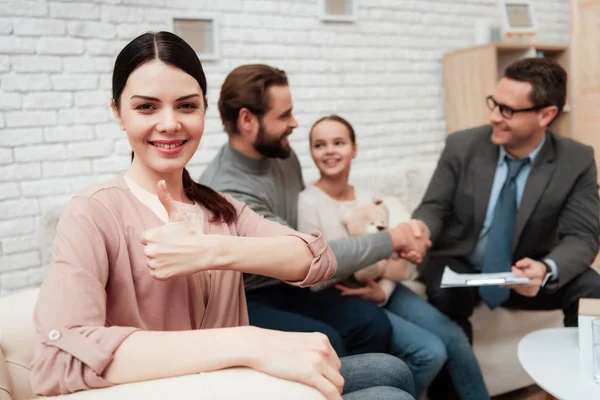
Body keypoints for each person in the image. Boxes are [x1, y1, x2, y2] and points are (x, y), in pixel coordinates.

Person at [29, 31, 416, 400]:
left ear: (203, 110)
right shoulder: (92, 213)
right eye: (146, 106)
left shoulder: (220, 207)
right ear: (118, 113)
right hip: (173, 390)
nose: (169, 123)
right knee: (387, 393)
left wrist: (212, 251)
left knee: (392, 370)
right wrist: (247, 342)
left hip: (233, 384)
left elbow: (317, 258)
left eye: (186, 105)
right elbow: (60, 359)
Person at [199, 64, 430, 359]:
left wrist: (383, 245)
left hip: (290, 284)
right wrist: (392, 240)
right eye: (284, 115)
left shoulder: (281, 154)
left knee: (372, 324)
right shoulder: (228, 188)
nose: (294, 123)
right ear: (247, 119)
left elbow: (306, 232)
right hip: (246, 299)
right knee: (328, 341)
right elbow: (304, 252)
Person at [410, 57, 600, 399]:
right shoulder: (462, 145)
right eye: (494, 103)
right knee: (443, 291)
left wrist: (546, 268)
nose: (494, 115)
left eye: (508, 110)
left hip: (523, 272)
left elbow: (583, 235)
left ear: (546, 115)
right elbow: (434, 206)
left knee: (591, 285)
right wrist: (421, 228)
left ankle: (584, 385)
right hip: (461, 262)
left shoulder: (576, 160)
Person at [297, 115, 490, 400]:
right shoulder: (308, 201)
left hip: (384, 289)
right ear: (312, 152)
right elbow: (316, 270)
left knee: (453, 337)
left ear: (354, 149)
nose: (329, 151)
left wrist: (382, 290)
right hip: (345, 296)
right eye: (320, 145)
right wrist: (371, 264)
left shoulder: (368, 197)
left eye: (339, 142)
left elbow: (395, 257)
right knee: (430, 352)